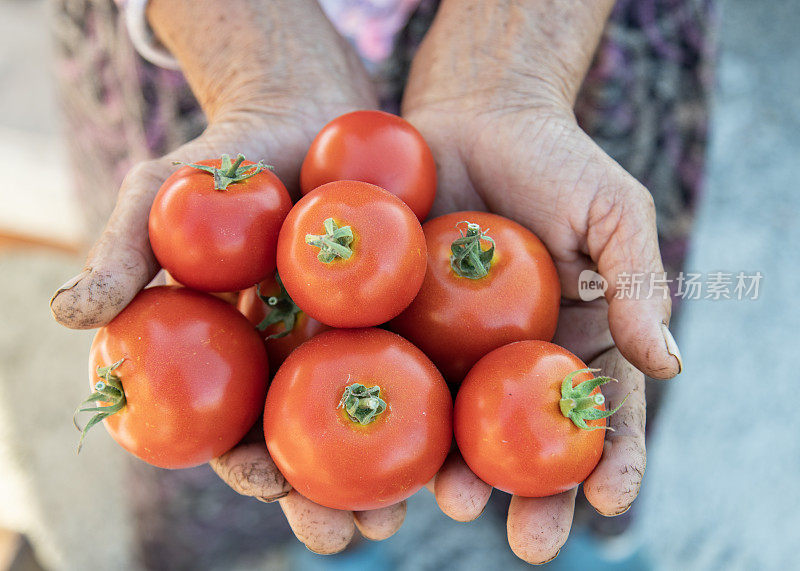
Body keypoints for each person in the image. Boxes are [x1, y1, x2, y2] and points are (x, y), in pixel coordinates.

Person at [49, 0, 709, 565]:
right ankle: (336, 546)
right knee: (260, 465)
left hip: (551, 36)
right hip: (215, 39)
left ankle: (596, 539)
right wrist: (262, 58)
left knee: (602, 313)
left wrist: (512, 66)